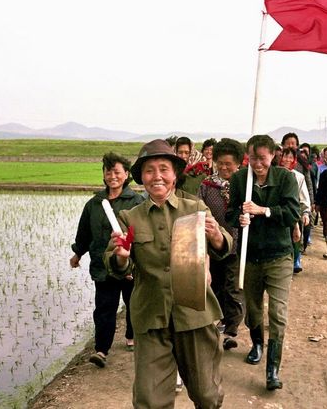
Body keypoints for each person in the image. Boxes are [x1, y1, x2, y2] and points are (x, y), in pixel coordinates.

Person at [105, 139, 233, 409]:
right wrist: (120, 257)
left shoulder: (195, 209)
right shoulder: (129, 218)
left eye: (164, 169)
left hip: (195, 314)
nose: (157, 176)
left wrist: (216, 237)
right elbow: (115, 265)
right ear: (141, 178)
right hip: (151, 317)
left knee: (207, 395)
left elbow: (224, 245)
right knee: (150, 401)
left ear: (175, 175)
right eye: (149, 170)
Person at [226, 134, 300, 391]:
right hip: (251, 257)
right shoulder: (239, 179)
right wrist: (240, 218)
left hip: (279, 256)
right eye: (253, 158)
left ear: (273, 155)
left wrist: (262, 210)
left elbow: (292, 213)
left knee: (277, 313)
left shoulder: (284, 178)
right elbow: (230, 212)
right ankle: (257, 343)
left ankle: (272, 369)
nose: (257, 164)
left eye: (262, 158)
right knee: (254, 310)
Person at [70, 152, 144, 368]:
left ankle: (131, 336)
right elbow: (84, 232)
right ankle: (101, 350)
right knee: (104, 308)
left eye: (117, 172)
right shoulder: (95, 203)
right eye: (108, 171)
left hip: (130, 266)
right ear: (103, 174)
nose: (112, 176)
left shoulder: (137, 202)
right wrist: (78, 253)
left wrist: (137, 262)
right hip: (103, 266)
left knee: (133, 304)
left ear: (126, 174)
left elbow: (141, 235)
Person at [198, 138, 245, 351]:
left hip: (238, 244)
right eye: (221, 163)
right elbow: (198, 211)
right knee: (214, 285)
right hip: (213, 245)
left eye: (229, 164)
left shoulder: (245, 185)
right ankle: (215, 323)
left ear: (238, 163)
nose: (225, 167)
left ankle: (231, 330)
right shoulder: (207, 186)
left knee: (233, 287)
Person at [279, 147, 311, 273]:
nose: (287, 159)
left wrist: (306, 212)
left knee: (296, 236)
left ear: (294, 160)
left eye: (290, 157)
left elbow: (304, 197)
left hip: (293, 210)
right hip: (279, 210)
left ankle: (296, 259)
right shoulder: (275, 172)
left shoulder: (299, 177)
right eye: (285, 156)